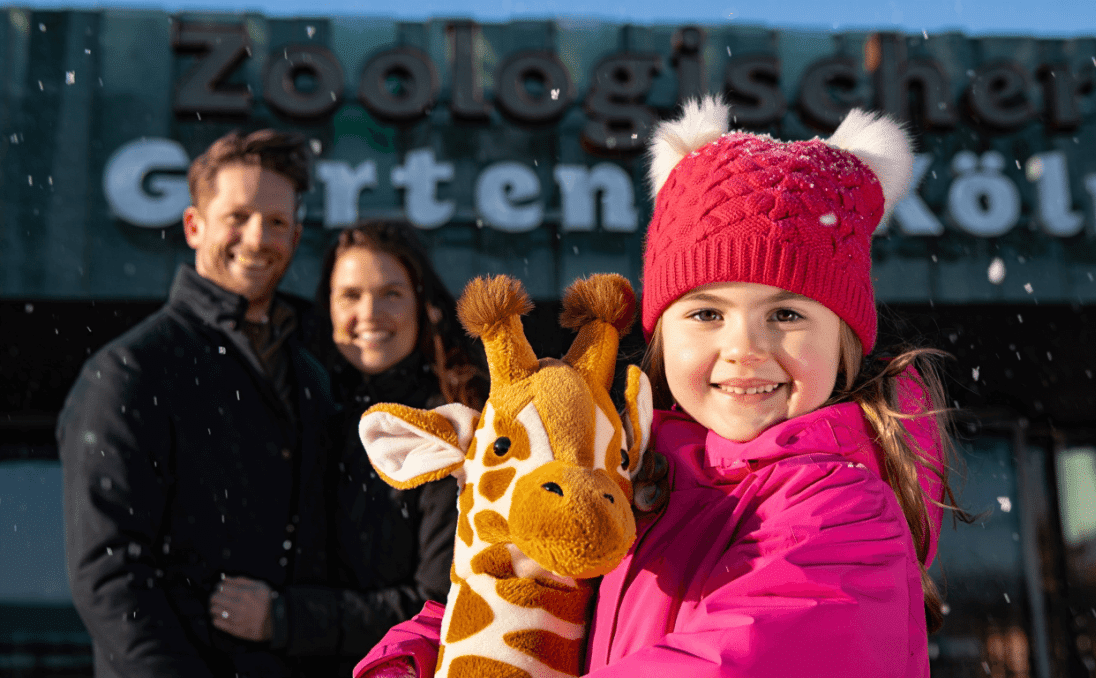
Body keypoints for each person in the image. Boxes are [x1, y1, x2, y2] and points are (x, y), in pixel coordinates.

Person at [353, 96, 965, 678]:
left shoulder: (846, 513)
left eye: (786, 315)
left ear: (845, 345)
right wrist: (425, 655)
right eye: (706, 314)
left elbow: (740, 658)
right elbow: (516, 580)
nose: (744, 348)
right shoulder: (638, 477)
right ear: (663, 338)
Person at [58, 129, 338, 678]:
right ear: (194, 225)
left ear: (297, 235)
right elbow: (110, 575)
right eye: (238, 216)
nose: (258, 238)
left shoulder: (311, 376)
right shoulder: (131, 371)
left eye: (277, 222)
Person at [211, 220, 487, 676]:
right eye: (351, 296)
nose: (370, 313)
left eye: (391, 293)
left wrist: (284, 618)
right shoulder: (308, 411)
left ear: (423, 306)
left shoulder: (450, 427)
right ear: (329, 309)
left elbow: (438, 601)